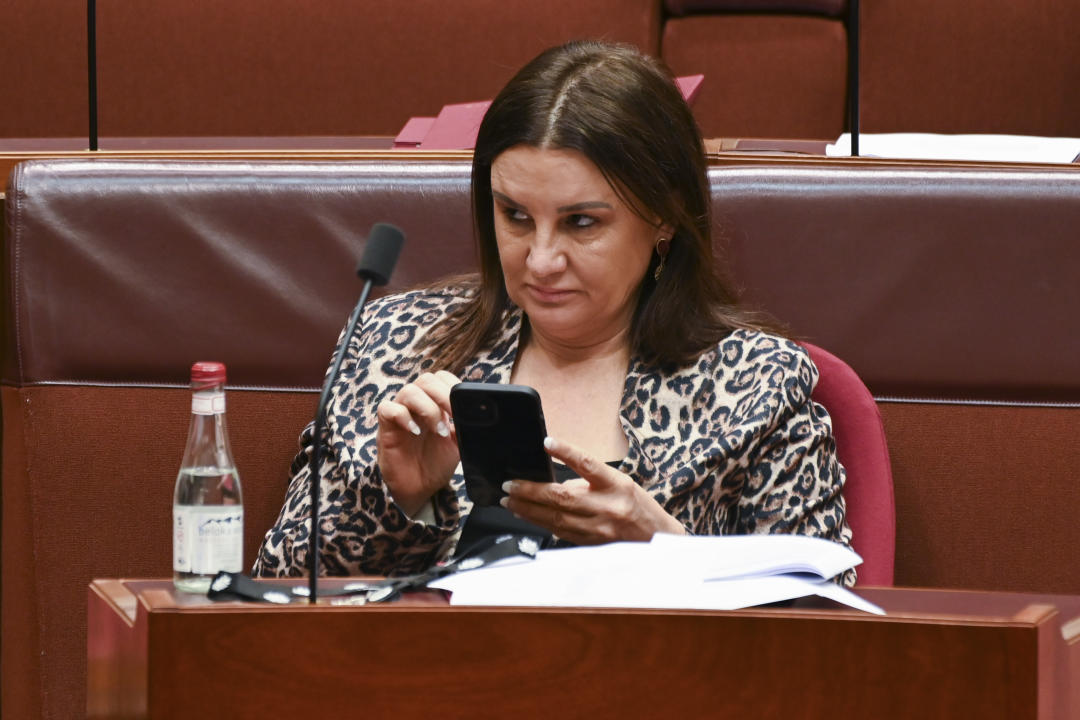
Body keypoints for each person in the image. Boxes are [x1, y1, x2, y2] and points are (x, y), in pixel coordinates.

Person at [253, 40, 854, 584]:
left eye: (581, 222)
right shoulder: (396, 345)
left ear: (664, 219)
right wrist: (399, 501)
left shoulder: (757, 383)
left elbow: (826, 630)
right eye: (515, 216)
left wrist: (664, 545)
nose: (540, 261)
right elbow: (277, 587)